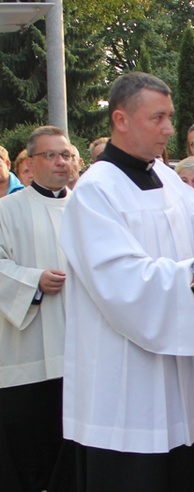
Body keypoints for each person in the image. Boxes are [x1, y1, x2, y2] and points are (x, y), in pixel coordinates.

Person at [58, 72, 194, 492]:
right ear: (121, 120)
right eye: (157, 118)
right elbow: (121, 278)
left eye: (169, 118)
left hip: (183, 374)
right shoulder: (95, 190)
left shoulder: (165, 178)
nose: (168, 129)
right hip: (128, 374)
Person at [0, 126, 71, 492]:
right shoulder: (6, 210)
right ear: (29, 162)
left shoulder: (85, 208)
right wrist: (32, 281)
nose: (61, 162)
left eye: (67, 155)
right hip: (26, 352)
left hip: (78, 350)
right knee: (29, 447)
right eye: (52, 155)